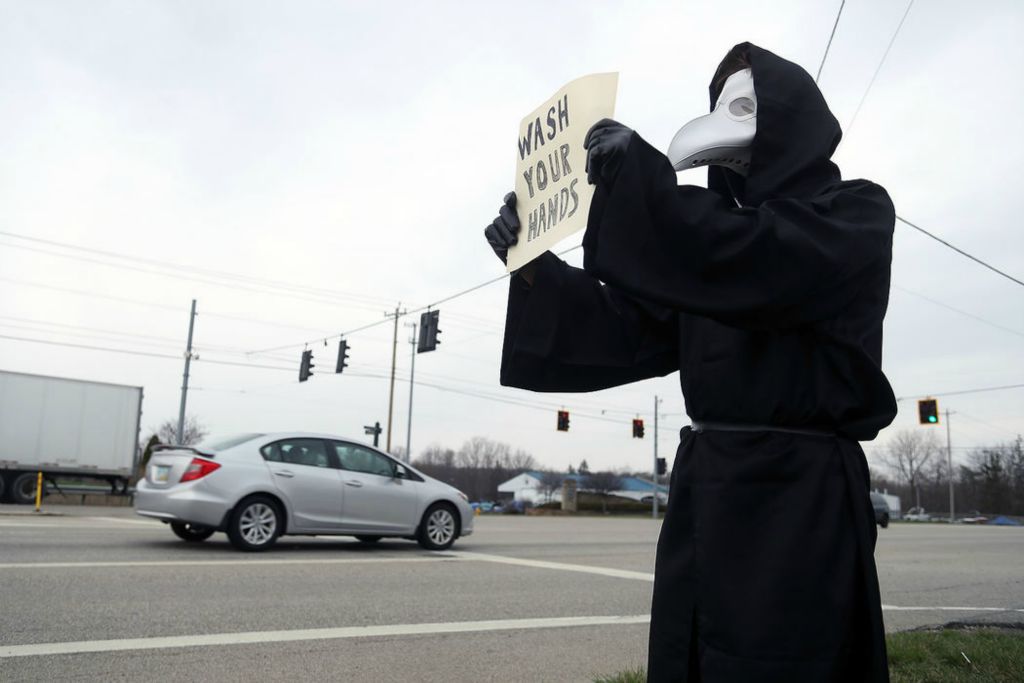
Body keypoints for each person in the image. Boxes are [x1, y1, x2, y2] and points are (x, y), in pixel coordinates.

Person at [485, 43, 895, 682]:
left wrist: (644, 188)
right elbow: (629, 326)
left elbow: (760, 259)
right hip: (708, 494)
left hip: (799, 499)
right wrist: (534, 267)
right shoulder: (705, 256)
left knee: (789, 662)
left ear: (790, 118)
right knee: (694, 657)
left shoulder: (854, 214)